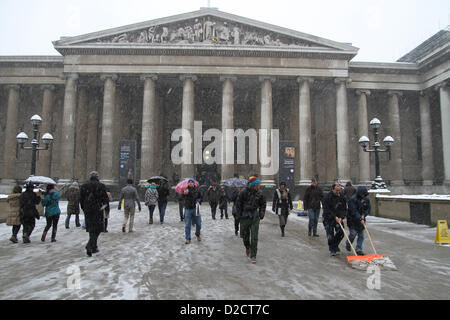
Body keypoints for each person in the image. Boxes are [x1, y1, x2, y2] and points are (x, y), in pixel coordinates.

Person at [236, 176, 266, 264]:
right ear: (253, 185)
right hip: (245, 216)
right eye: (257, 185)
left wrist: (261, 213)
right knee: (245, 236)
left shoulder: (260, 193)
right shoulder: (243, 192)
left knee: (254, 237)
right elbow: (238, 204)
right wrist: (239, 215)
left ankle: (253, 255)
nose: (259, 186)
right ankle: (247, 247)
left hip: (255, 217)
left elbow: (263, 204)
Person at [80, 171, 109, 256]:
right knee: (98, 228)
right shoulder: (101, 186)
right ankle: (90, 245)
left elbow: (81, 199)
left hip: (88, 210)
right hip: (97, 209)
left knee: (91, 228)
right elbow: (105, 199)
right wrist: (106, 209)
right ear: (97, 177)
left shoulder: (84, 186)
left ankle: (94, 246)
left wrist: (83, 208)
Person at [322, 183, 348, 256]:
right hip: (328, 218)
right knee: (330, 235)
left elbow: (344, 209)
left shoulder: (342, 198)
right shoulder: (327, 197)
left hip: (338, 218)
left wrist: (341, 217)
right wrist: (334, 216)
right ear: (333, 189)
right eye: (336, 190)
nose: (338, 192)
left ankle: (335, 245)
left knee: (341, 233)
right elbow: (326, 209)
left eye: (339, 190)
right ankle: (332, 249)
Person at [346, 186, 370, 255]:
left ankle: (359, 248)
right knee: (353, 234)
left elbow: (368, 209)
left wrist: (364, 215)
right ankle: (348, 243)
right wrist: (360, 218)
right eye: (362, 194)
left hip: (361, 220)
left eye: (364, 194)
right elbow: (353, 211)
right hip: (352, 220)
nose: (363, 195)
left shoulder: (366, 199)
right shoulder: (352, 200)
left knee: (361, 235)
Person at [182, 178, 202, 244]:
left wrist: (199, 200)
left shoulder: (197, 189)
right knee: (187, 224)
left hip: (196, 208)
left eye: (191, 182)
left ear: (194, 183)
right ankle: (188, 238)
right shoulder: (185, 190)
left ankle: (197, 234)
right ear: (188, 183)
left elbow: (200, 196)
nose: (190, 183)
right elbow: (180, 198)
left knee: (198, 223)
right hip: (188, 209)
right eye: (189, 182)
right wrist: (183, 194)